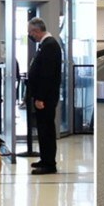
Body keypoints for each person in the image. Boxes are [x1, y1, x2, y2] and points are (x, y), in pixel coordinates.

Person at [27, 17, 62, 174]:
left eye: (31, 32)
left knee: (46, 129)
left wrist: (40, 97)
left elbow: (47, 75)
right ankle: (44, 158)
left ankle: (49, 164)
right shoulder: (45, 45)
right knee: (42, 129)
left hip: (46, 97)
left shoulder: (50, 45)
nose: (30, 35)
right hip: (43, 96)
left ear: (37, 31)